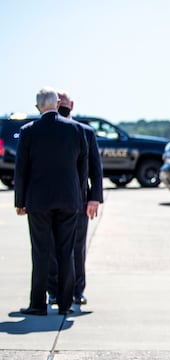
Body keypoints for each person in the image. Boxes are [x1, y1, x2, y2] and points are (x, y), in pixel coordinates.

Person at [14, 87, 88, 315]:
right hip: (69, 199)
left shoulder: (29, 131)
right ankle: (66, 304)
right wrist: (81, 196)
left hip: (38, 200)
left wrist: (20, 201)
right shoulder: (76, 129)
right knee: (66, 251)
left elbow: (21, 169)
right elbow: (82, 166)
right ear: (57, 104)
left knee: (41, 251)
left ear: (37, 107)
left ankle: (38, 304)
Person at [47, 90, 103, 306]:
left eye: (64, 99)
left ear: (72, 104)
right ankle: (53, 290)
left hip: (79, 200)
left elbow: (96, 169)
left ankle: (77, 290)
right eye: (58, 99)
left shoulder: (86, 132)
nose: (61, 102)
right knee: (52, 247)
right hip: (51, 200)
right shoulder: (46, 130)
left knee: (77, 247)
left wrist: (94, 198)